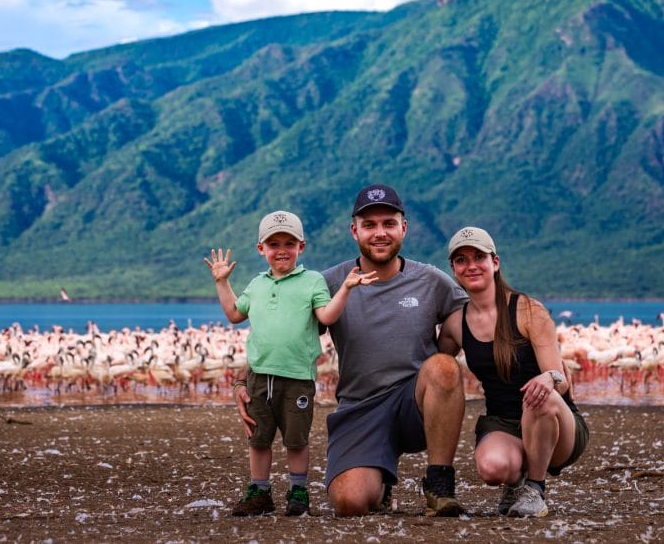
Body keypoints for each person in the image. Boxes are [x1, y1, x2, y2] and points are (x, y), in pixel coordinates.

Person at [235, 184, 470, 517]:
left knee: (444, 367)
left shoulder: (431, 280)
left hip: (413, 403)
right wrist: (243, 383)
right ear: (354, 230)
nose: (379, 233)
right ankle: (380, 478)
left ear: (403, 227)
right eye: (369, 225)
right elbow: (279, 335)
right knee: (351, 503)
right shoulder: (326, 283)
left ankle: (439, 483)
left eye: (388, 223)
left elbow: (475, 321)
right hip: (360, 408)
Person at [206, 210, 376, 517]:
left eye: (289, 243)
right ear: (261, 249)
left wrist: (346, 290)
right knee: (258, 439)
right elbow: (233, 314)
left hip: (297, 377)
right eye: (274, 244)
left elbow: (326, 316)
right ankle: (259, 491)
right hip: (259, 378)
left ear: (302, 247)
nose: (281, 249)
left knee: (296, 440)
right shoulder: (256, 285)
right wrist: (222, 282)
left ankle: (299, 491)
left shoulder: (313, 282)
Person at [437, 226, 589, 517]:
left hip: (557, 425)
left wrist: (549, 377)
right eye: (461, 260)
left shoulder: (529, 310)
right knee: (492, 468)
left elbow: (560, 382)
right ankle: (515, 483)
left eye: (478, 257)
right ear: (454, 269)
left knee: (539, 393)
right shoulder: (455, 324)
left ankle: (535, 489)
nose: (471, 266)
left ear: (495, 262)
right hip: (504, 423)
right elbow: (432, 368)